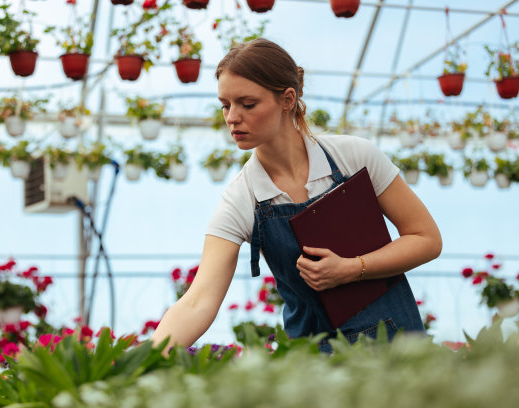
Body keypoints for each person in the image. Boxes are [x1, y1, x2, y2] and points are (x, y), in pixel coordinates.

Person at [151, 38, 442, 353]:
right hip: (312, 364)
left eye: (247, 104)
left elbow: (426, 238)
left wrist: (353, 268)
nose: (232, 117)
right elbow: (197, 301)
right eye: (225, 104)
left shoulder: (355, 157)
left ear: (287, 99)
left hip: (396, 347)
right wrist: (144, 360)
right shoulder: (242, 197)